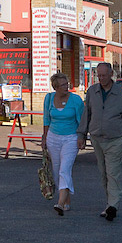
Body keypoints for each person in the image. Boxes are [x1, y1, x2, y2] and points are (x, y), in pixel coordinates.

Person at [77, 62, 122, 221]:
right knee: (103, 174)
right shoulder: (92, 91)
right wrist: (81, 135)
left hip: (115, 139)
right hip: (97, 138)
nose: (101, 78)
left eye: (104, 75)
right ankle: (109, 203)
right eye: (99, 75)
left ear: (111, 74)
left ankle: (113, 206)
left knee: (113, 174)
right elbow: (86, 114)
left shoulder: (120, 93)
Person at [42, 72, 84, 216]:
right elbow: (46, 119)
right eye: (62, 85)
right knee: (56, 170)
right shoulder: (48, 99)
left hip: (71, 138)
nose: (66, 87)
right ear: (55, 88)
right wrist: (44, 137)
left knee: (65, 169)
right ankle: (66, 200)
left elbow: (82, 120)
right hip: (53, 137)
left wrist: (82, 137)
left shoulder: (76, 100)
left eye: (67, 84)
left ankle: (59, 203)